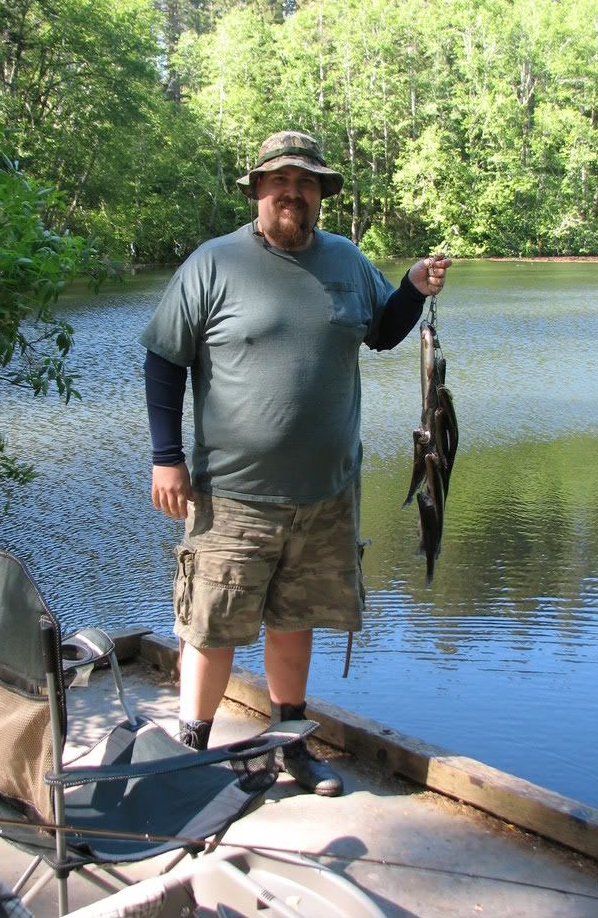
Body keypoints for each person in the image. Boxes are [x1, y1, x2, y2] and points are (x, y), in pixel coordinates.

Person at [141, 131, 451, 797]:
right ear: (257, 189)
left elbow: (383, 330)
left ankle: (289, 743)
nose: (292, 191)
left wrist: (411, 286)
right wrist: (166, 457)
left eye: (305, 182)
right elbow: (163, 360)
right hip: (230, 496)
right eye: (279, 180)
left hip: (326, 494)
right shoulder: (212, 263)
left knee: (294, 620)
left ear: (319, 194)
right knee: (211, 625)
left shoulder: (343, 259)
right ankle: (192, 749)